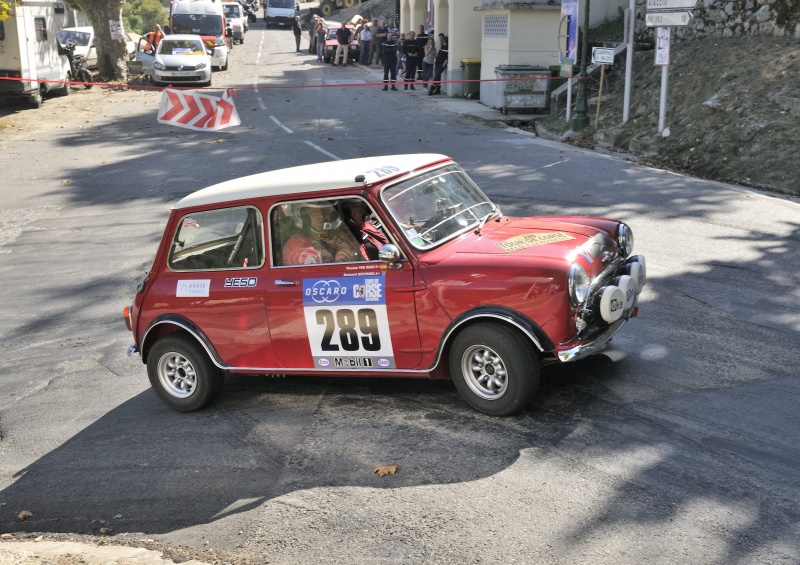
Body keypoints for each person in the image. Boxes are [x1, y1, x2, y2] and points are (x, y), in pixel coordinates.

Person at [282, 203, 366, 265]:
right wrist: (338, 264)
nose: (321, 217)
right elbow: (313, 280)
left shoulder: (336, 233)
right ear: (304, 217)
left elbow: (362, 260)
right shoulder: (297, 244)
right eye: (314, 212)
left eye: (325, 211)